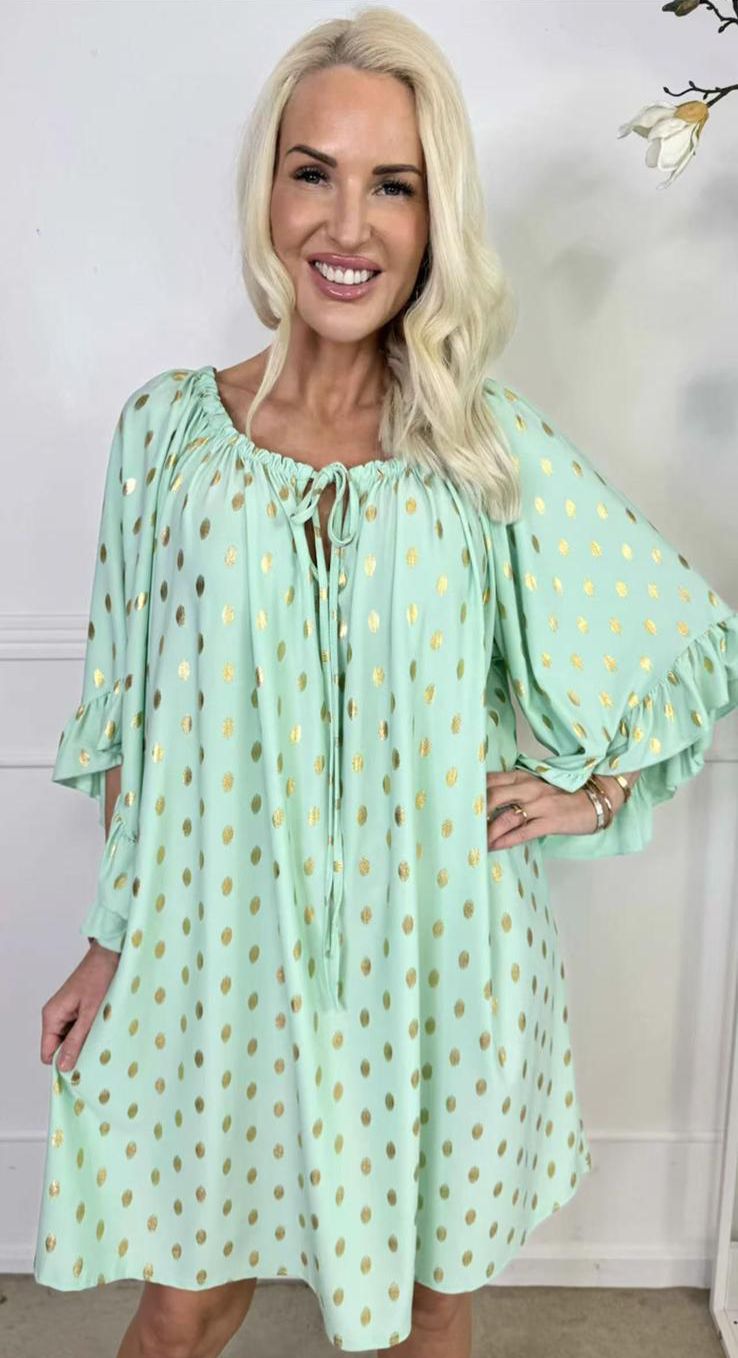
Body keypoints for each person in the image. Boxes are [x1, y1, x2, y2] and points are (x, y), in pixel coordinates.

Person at [33, 7, 738, 1358]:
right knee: (184, 1304)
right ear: (268, 190)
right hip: (219, 949)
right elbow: (135, 728)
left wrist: (592, 792)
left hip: (439, 957)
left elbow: (686, 641)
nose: (346, 224)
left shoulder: (482, 448)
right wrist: (113, 939)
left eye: (393, 185)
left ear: (433, 218)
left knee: (426, 1299)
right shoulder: (166, 437)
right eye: (315, 172)